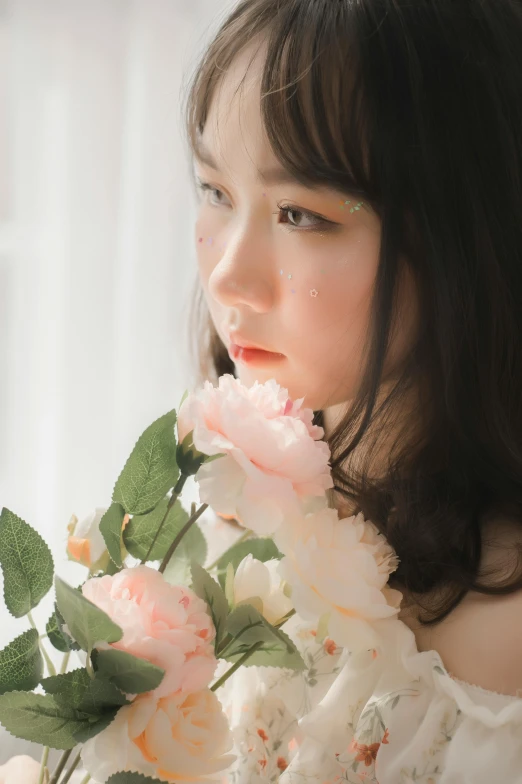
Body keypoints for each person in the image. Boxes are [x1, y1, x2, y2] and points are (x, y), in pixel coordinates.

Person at [184, 0, 522, 781]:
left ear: (462, 241)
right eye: (214, 191)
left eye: (299, 213)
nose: (228, 275)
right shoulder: (208, 517)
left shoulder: (499, 669)